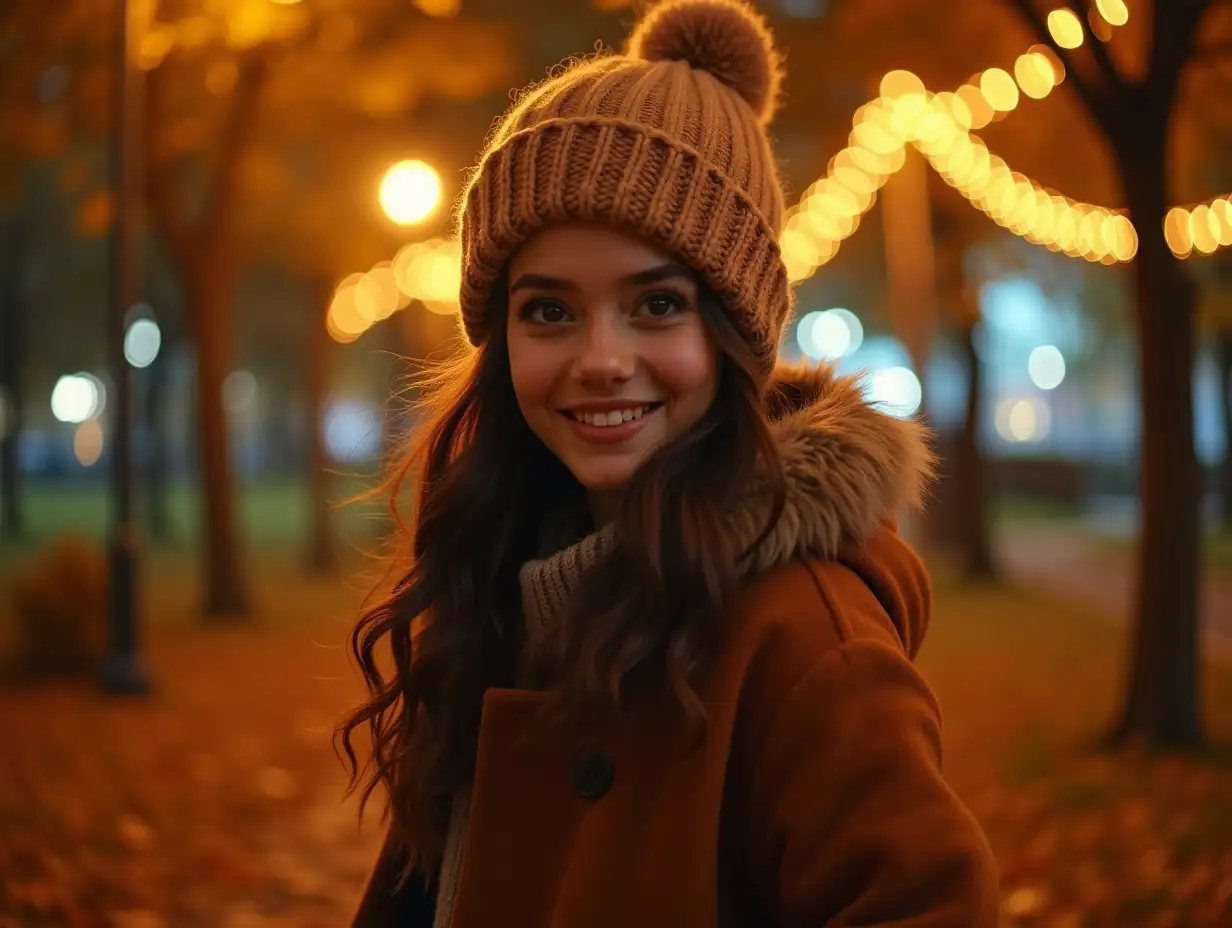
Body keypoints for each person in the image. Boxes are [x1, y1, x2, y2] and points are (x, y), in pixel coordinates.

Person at [339, 1, 1001, 925]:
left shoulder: (806, 638)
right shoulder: (502, 580)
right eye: (549, 311)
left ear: (735, 334)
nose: (600, 357)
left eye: (656, 306)